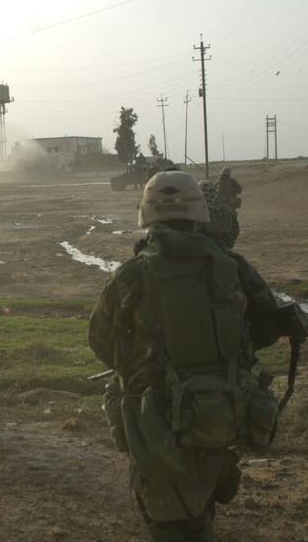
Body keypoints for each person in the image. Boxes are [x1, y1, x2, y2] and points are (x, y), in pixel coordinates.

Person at [89, 171, 292, 541]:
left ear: (147, 214)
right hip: (220, 414)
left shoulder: (133, 275)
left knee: (172, 523)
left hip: (158, 424)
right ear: (200, 214)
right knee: (197, 500)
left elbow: (101, 342)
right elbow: (266, 327)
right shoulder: (232, 267)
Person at [197, 179, 240, 248]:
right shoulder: (227, 210)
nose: (205, 197)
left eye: (206, 194)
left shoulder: (196, 212)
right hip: (222, 249)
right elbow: (235, 230)